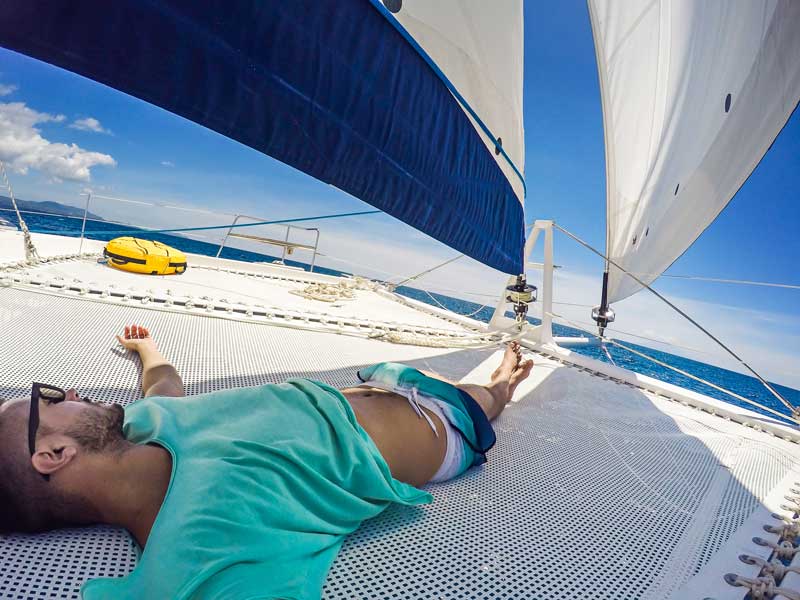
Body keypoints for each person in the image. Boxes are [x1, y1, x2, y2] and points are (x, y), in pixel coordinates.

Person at [0, 324, 533, 600]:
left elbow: (167, 387)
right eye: (50, 399)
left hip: (374, 386)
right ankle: (504, 385)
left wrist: (148, 352)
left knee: (433, 380)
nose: (68, 388)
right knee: (485, 397)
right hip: (441, 427)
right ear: (53, 455)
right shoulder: (203, 551)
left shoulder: (143, 426)